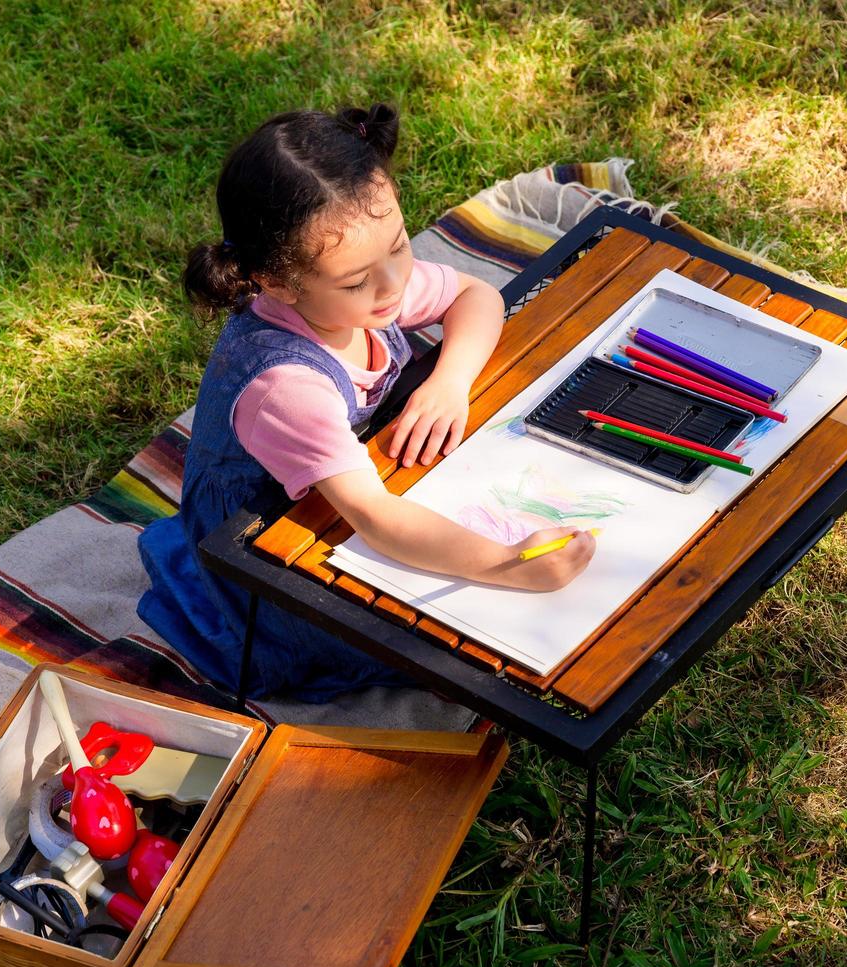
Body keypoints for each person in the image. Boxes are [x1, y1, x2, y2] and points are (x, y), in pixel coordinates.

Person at [137, 103, 596, 702]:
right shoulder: (283, 385)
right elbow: (376, 520)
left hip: (346, 485)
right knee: (441, 637)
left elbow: (477, 295)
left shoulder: (365, 288)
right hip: (269, 543)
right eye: (357, 280)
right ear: (276, 283)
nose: (393, 285)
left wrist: (448, 382)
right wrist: (505, 563)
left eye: (401, 247)